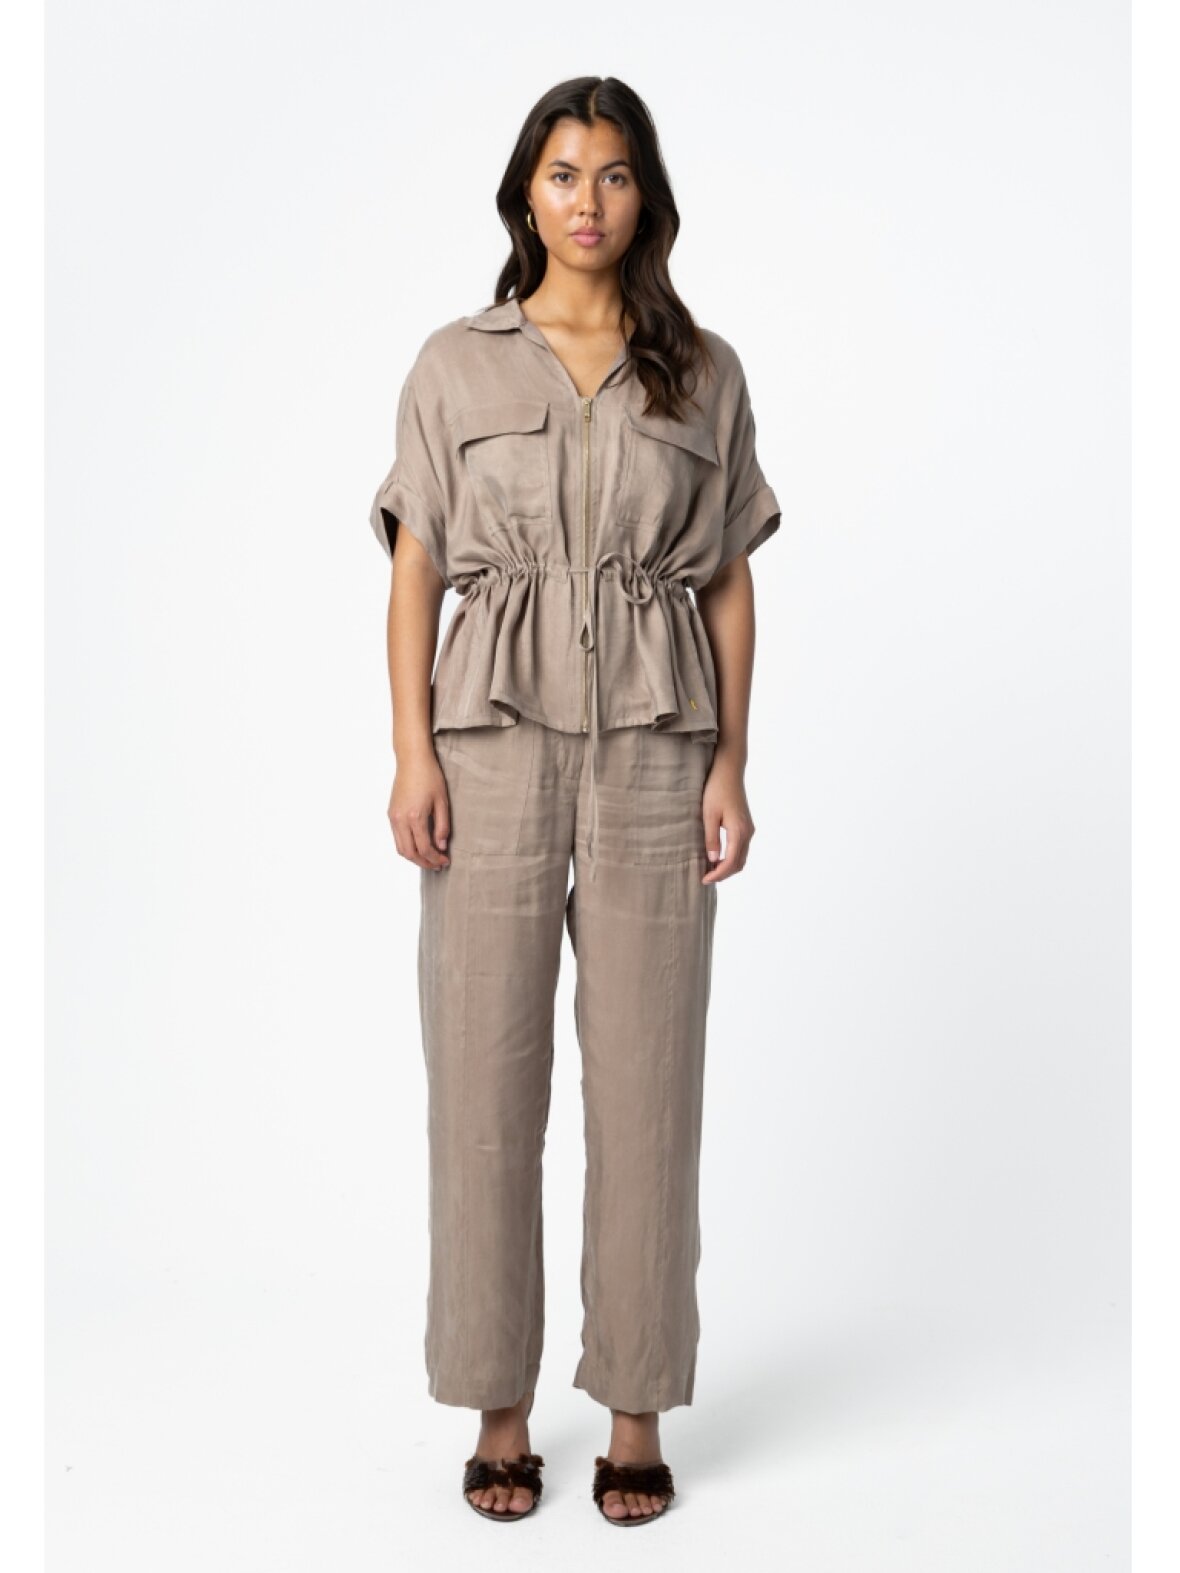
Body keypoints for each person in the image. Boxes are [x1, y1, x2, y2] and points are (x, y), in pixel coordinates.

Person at [368, 76, 782, 1527]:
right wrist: (412, 752)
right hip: (487, 745)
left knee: (649, 1085)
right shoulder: (455, 364)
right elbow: (417, 565)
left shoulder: (702, 372)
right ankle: (498, 1405)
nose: (587, 200)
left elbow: (728, 580)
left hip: (658, 749)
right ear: (526, 194)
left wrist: (732, 761)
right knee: (484, 1081)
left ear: (644, 195)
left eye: (612, 174)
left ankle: (634, 1408)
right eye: (562, 173)